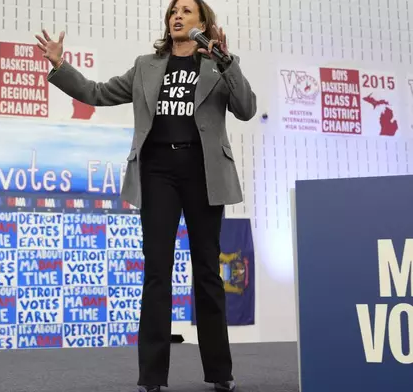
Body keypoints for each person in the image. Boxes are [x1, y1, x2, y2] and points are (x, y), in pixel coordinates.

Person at [36, 0, 256, 390]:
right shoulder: (146, 66)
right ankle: (151, 378)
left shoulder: (219, 65)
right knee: (157, 272)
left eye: (187, 11)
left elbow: (246, 109)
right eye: (173, 11)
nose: (177, 15)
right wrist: (60, 66)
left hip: (204, 174)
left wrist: (225, 60)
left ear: (203, 21)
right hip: (157, 173)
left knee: (207, 272)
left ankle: (220, 374)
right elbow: (97, 92)